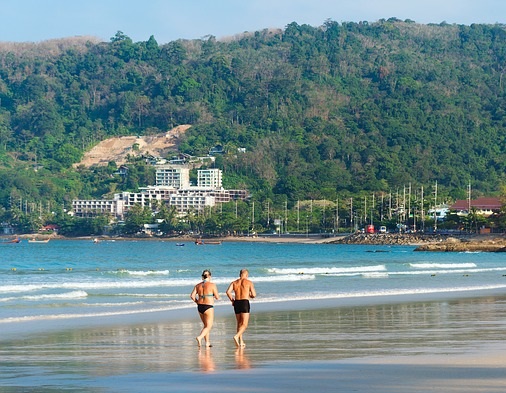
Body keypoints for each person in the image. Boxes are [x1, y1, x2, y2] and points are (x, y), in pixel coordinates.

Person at [226, 268, 256, 347]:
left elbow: (228, 292)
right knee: (244, 324)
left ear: (240, 274)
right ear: (247, 275)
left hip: (237, 302)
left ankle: (241, 341)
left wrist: (232, 300)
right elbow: (254, 294)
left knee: (239, 323)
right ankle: (236, 336)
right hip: (244, 302)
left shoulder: (234, 283)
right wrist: (250, 295)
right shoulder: (249, 282)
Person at [190, 269, 220, 348]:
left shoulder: (198, 285)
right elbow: (217, 297)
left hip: (200, 306)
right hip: (208, 306)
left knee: (205, 325)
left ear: (202, 277)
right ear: (210, 276)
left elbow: (192, 296)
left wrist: (197, 302)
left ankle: (207, 342)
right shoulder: (212, 285)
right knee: (209, 326)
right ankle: (199, 337)